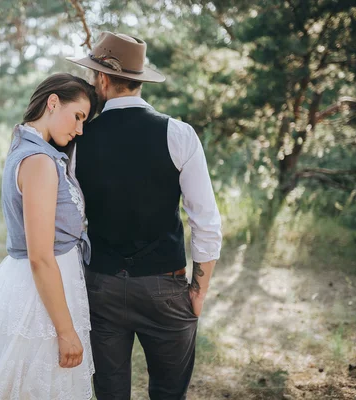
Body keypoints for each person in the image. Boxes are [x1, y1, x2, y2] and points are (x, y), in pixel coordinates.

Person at [67, 32, 223, 399]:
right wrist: (199, 290)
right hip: (164, 287)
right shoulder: (179, 134)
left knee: (109, 391)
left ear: (101, 79)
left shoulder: (79, 139)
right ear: (139, 80)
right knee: (169, 393)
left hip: (101, 285)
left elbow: (71, 219)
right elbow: (207, 221)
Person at [0, 73, 98, 400]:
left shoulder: (37, 151)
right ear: (52, 102)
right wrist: (66, 332)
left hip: (53, 284)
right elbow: (40, 255)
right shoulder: (38, 161)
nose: (79, 129)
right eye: (77, 116)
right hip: (41, 294)